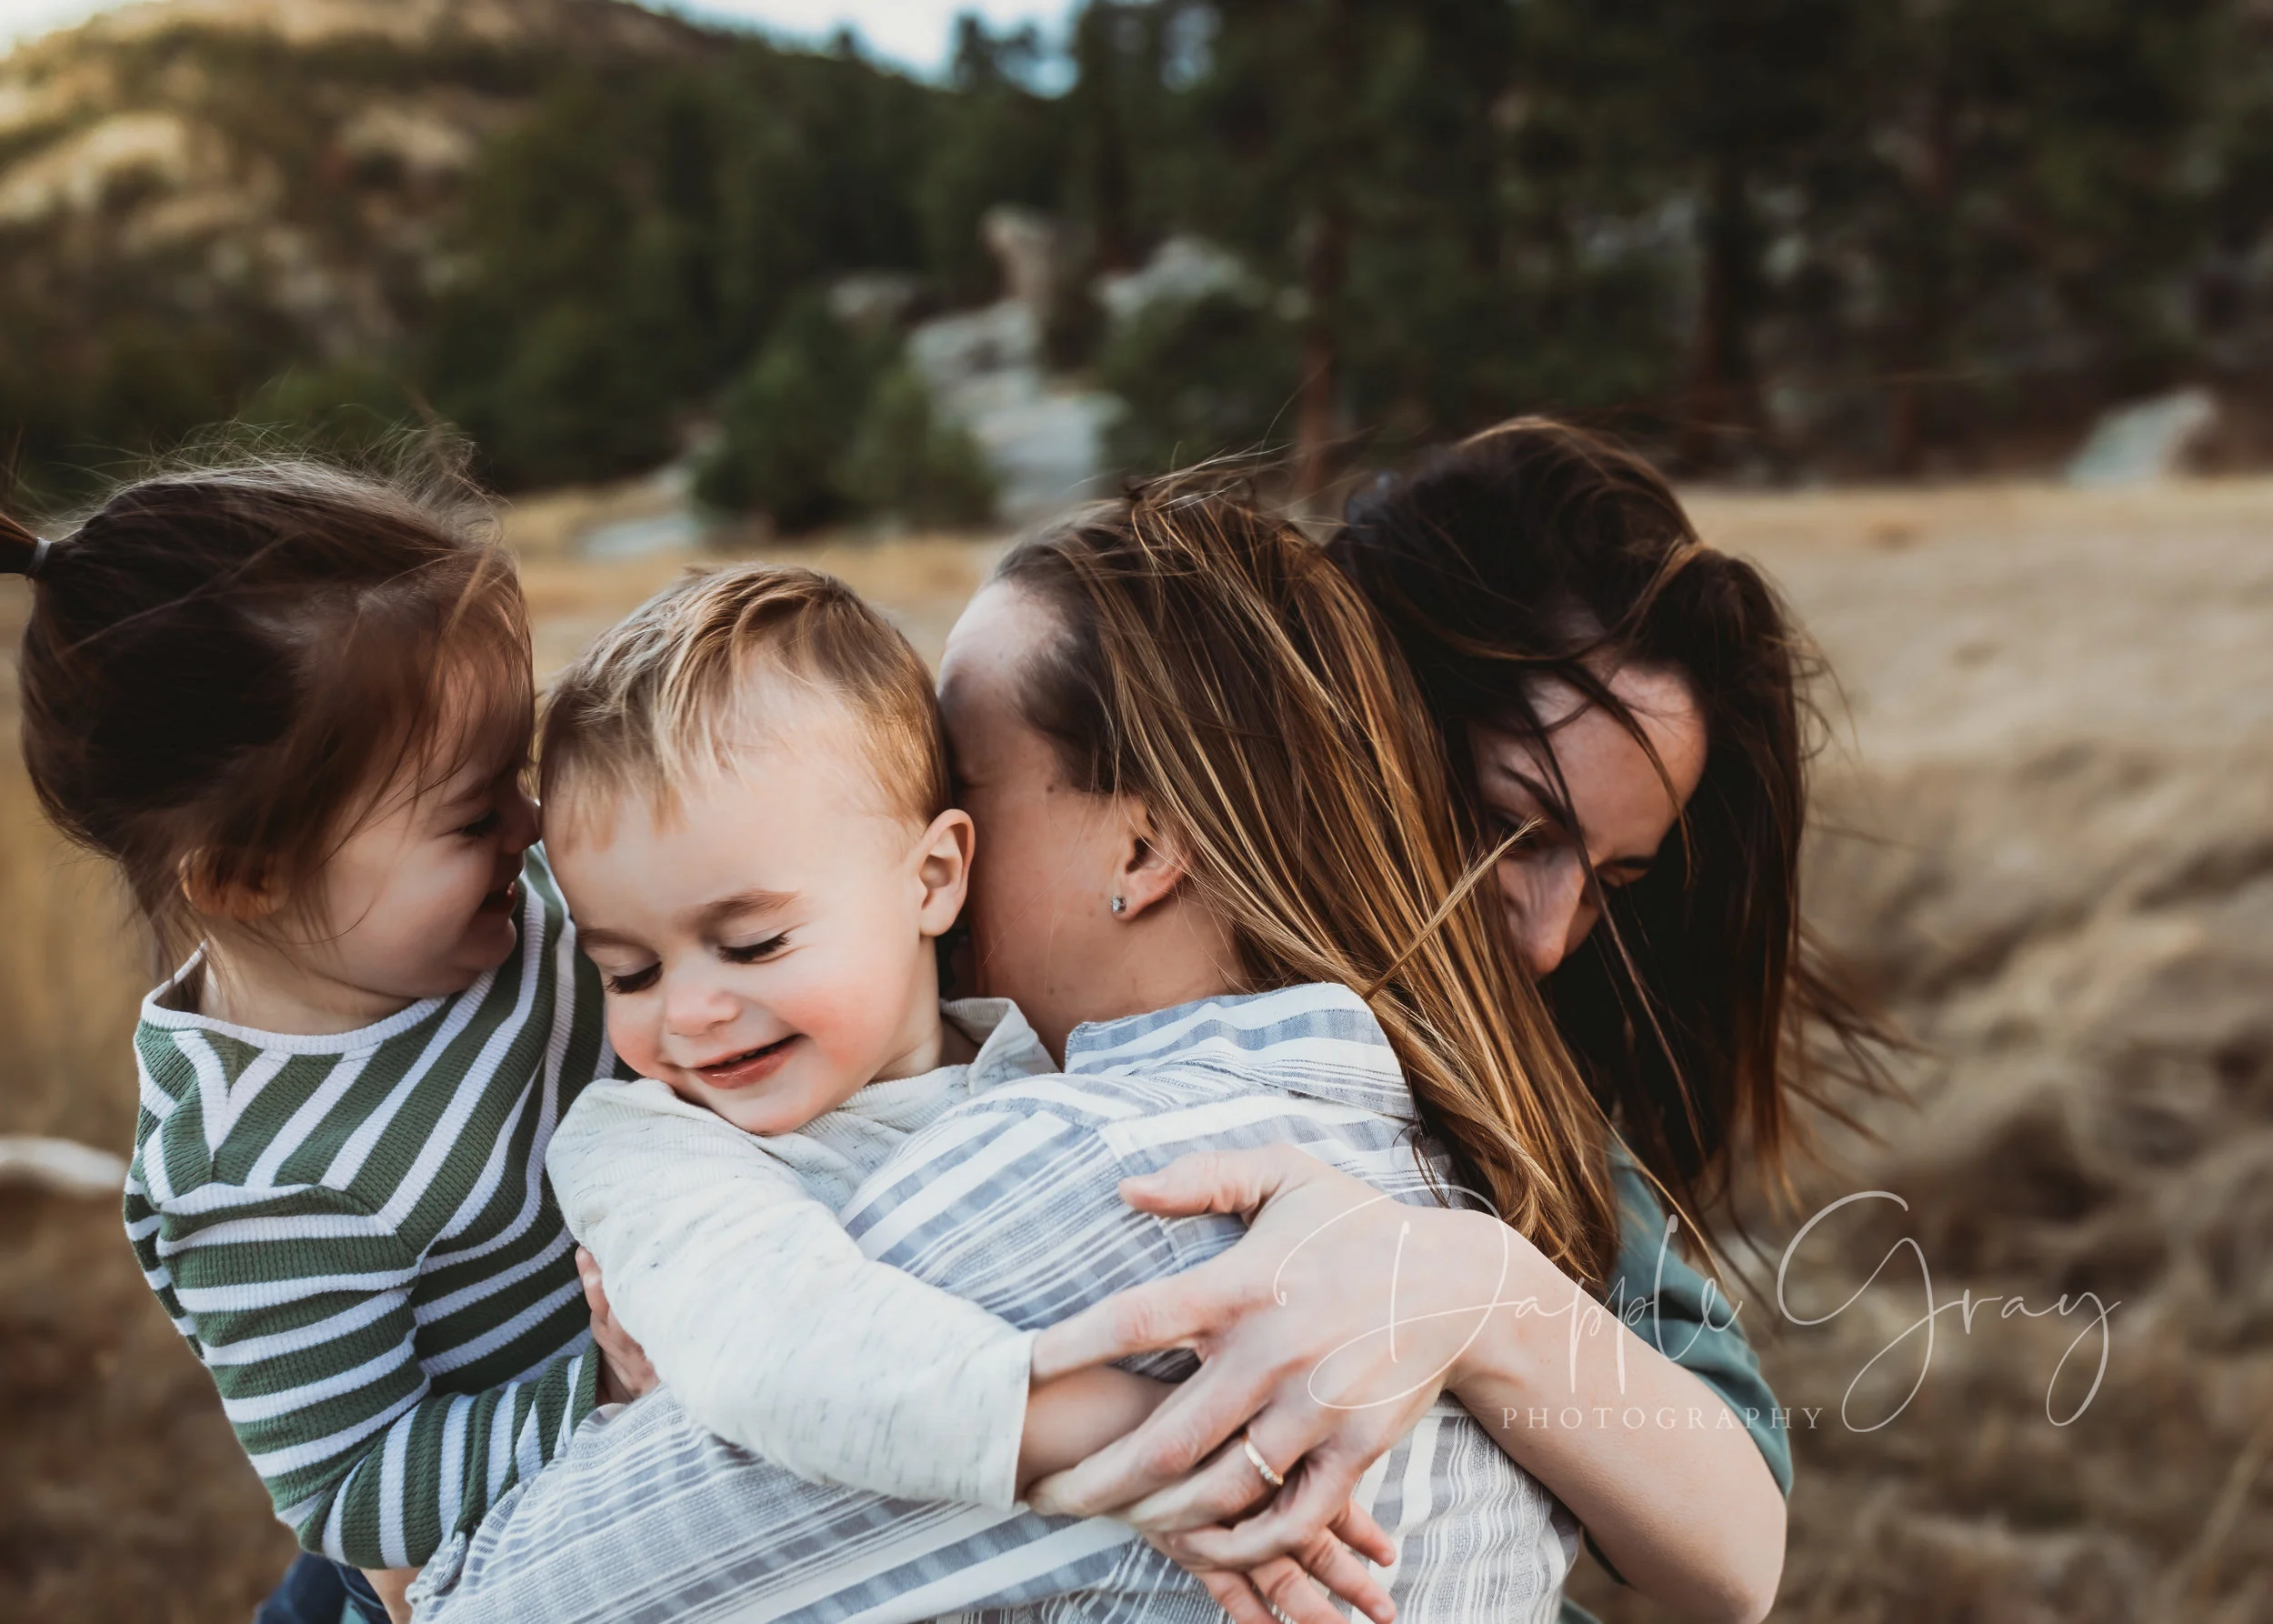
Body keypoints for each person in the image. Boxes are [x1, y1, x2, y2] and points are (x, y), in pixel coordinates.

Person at [409, 475, 1787, 1624]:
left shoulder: (1137, 1162)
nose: (1545, 934)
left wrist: (1477, 1291)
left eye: (1601, 873)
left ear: (1146, 840)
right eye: (1503, 829)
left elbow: (1736, 1536)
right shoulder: (1403, 1128)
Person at [532, 562, 1384, 1618]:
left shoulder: (1049, 1078)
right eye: (631, 972)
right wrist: (1177, 1446)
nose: (690, 1011)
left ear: (931, 879)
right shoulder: (646, 1147)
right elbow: (780, 1345)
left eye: (750, 943)